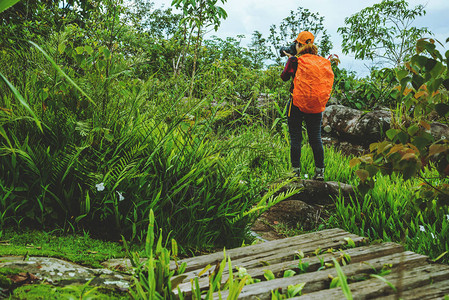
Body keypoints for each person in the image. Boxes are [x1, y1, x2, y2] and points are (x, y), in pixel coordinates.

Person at [280, 31, 334, 181]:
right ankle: (320, 173)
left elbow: (284, 77)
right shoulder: (321, 62)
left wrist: (290, 60)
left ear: (299, 45)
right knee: (315, 138)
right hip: (316, 106)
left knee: (296, 139)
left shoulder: (295, 61)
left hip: (296, 103)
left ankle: (295, 173)